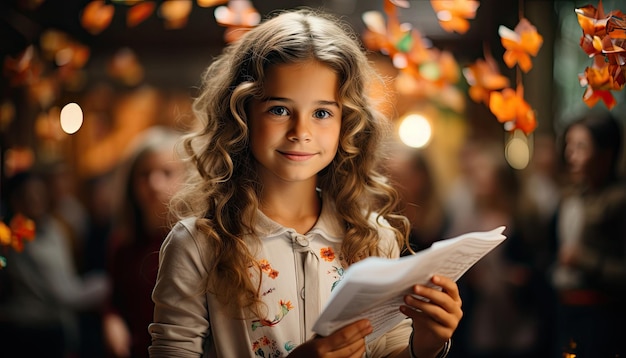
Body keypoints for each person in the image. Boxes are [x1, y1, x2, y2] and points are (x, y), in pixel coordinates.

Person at [148, 8, 463, 358]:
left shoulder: (376, 239)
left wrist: (427, 345)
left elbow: (389, 351)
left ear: (348, 122)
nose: (301, 132)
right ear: (241, 114)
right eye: (279, 109)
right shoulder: (198, 244)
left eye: (322, 113)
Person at [0, 169, 110, 358]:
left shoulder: (52, 227)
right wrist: (111, 284)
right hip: (31, 333)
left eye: (38, 193)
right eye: (27, 195)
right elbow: (66, 294)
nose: (35, 200)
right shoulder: (19, 240)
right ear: (15, 201)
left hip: (52, 329)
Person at [102, 127, 186, 358]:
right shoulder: (123, 242)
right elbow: (115, 298)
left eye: (167, 172)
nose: (154, 183)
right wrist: (112, 320)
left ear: (187, 178)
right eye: (144, 174)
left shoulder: (195, 242)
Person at [550, 111, 626, 357]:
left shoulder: (618, 200)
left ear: (606, 154)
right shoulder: (571, 196)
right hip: (566, 307)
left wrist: (584, 261)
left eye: (581, 147)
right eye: (569, 146)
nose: (570, 155)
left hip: (602, 314)